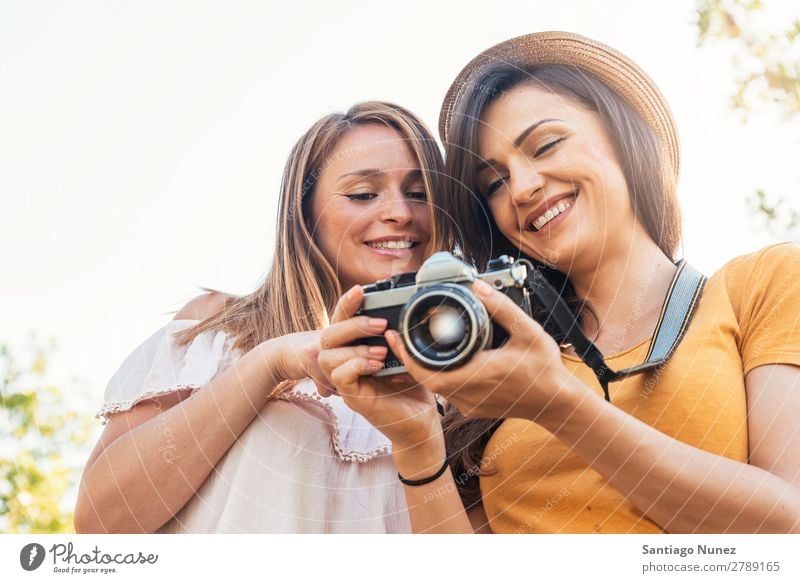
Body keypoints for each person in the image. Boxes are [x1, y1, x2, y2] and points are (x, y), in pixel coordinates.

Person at [317, 32, 800, 534]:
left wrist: (560, 407)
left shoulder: (760, 285)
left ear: (623, 133)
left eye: (546, 145)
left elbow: (786, 529)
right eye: (495, 183)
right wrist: (417, 444)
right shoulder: (492, 361)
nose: (523, 189)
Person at [73, 101, 451, 533]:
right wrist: (269, 362)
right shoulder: (220, 331)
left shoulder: (464, 382)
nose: (401, 212)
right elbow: (101, 523)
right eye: (363, 194)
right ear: (305, 214)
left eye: (420, 193)